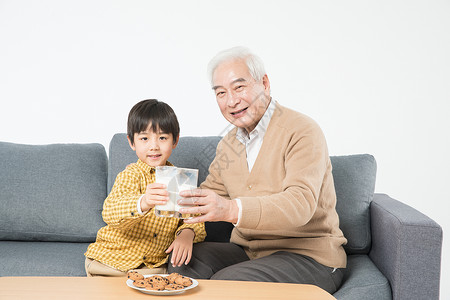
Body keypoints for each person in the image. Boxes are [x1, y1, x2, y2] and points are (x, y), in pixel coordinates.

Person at [169, 47, 347, 294]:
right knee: (182, 263)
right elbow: (208, 195)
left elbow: (300, 204)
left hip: (309, 256)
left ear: (264, 83)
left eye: (239, 87)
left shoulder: (302, 131)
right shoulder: (228, 144)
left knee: (227, 283)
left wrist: (231, 209)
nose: (231, 101)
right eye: (221, 93)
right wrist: (182, 222)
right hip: (249, 252)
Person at [85, 99, 206, 277]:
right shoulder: (131, 174)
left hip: (153, 267)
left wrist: (187, 233)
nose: (154, 146)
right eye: (144, 138)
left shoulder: (180, 180)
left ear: (175, 140)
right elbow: (110, 212)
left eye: (163, 138)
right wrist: (143, 202)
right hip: (112, 261)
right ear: (132, 142)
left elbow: (196, 219)